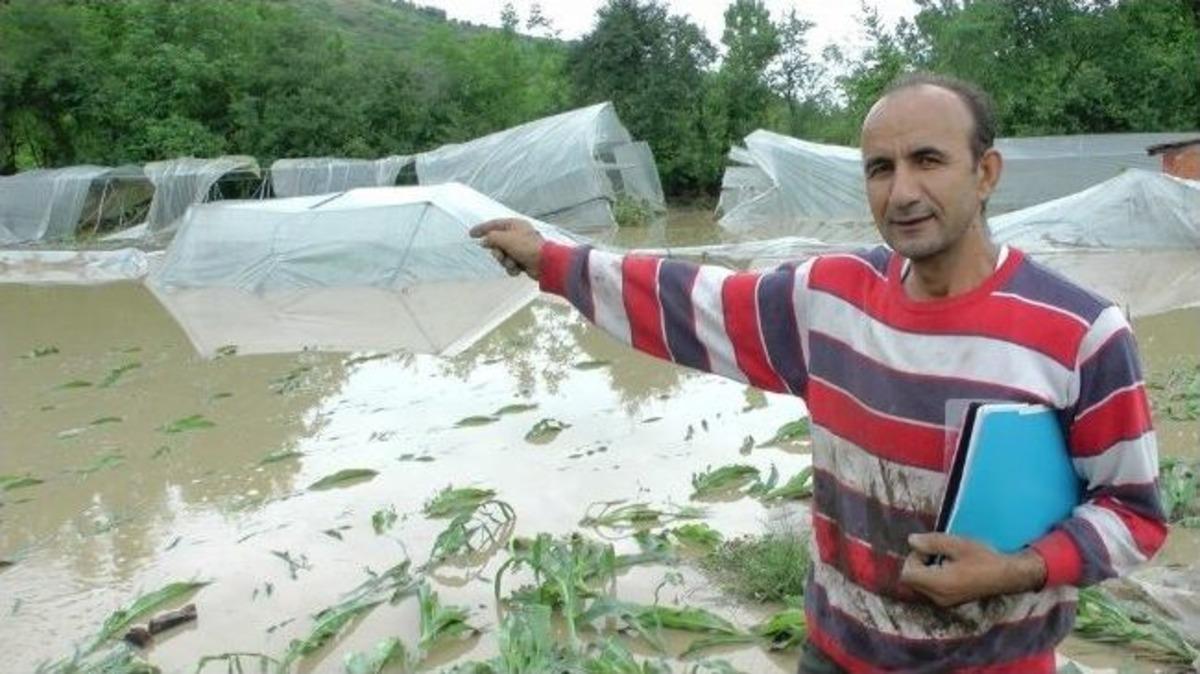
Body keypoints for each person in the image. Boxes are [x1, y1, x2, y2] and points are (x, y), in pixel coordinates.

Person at [469, 72, 1167, 673]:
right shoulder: (828, 299)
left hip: (996, 663)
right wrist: (553, 262)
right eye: (880, 168)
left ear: (985, 173)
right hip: (836, 651)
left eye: (928, 160)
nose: (902, 192)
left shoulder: (1080, 330)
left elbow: (1133, 515)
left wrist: (1016, 569)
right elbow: (689, 301)